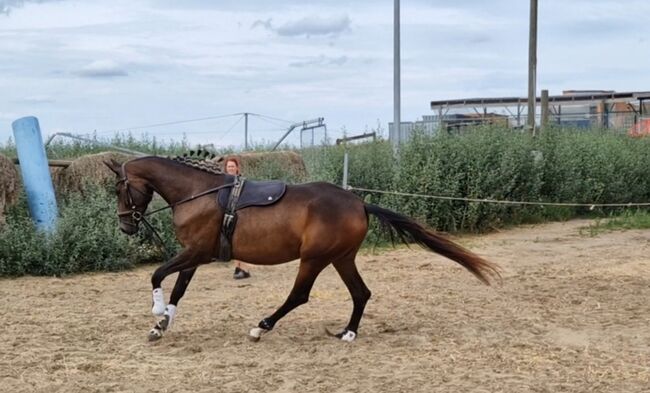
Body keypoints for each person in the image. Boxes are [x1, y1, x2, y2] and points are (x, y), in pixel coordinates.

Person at [224, 156, 251, 279]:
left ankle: (244, 269)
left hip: (242, 214)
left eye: (232, 166)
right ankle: (238, 267)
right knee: (233, 242)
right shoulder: (224, 182)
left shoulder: (241, 181)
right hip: (229, 215)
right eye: (228, 166)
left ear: (237, 168)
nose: (230, 168)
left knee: (241, 242)